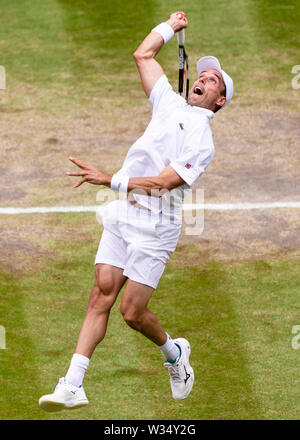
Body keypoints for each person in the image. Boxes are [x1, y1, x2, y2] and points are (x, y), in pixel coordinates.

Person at [39, 11, 233, 412]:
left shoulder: (202, 140)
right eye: (201, 76)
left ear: (220, 101)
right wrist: (168, 26)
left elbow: (164, 183)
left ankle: (175, 354)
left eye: (212, 80)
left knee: (131, 312)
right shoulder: (167, 101)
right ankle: (72, 384)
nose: (202, 79)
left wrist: (108, 179)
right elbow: (143, 55)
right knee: (101, 295)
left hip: (156, 226)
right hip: (124, 214)